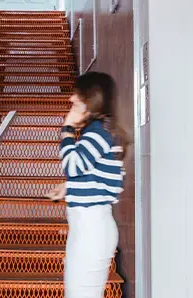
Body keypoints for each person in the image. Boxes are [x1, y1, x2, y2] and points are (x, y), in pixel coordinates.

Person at [45, 72, 128, 298]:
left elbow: (73, 165)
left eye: (77, 95)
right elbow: (100, 179)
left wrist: (67, 129)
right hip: (89, 225)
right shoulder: (100, 132)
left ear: (91, 100)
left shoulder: (98, 133)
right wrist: (68, 187)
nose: (71, 100)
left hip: (91, 227)